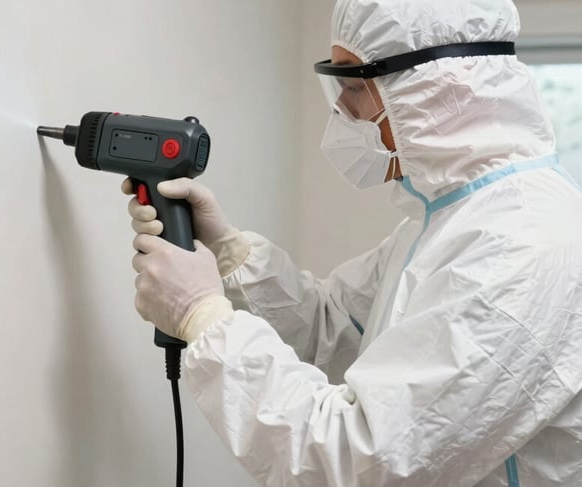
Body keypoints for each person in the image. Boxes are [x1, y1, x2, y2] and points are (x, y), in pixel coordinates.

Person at [124, 0, 582, 485]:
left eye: (354, 85)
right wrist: (230, 256)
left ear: (436, 86)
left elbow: (359, 461)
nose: (342, 110)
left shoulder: (519, 246)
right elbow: (334, 329)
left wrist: (203, 318)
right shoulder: (451, 219)